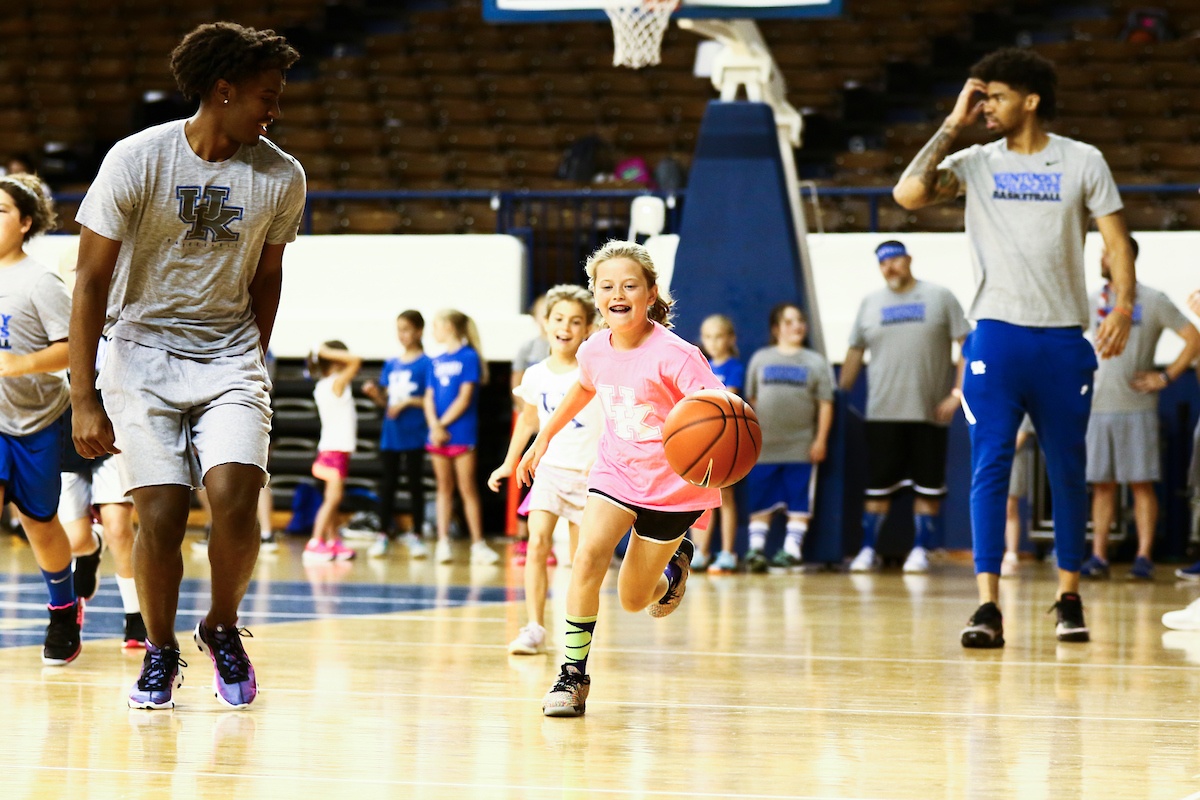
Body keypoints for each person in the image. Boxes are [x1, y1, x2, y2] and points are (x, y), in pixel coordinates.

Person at [70, 22, 305, 708]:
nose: (275, 110)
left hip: (229, 352)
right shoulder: (137, 159)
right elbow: (89, 280)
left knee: (236, 499)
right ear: (222, 91)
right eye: (266, 95)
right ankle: (161, 650)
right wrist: (84, 395)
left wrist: (253, 360)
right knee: (163, 514)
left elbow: (269, 276)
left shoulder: (281, 175)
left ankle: (221, 626)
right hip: (140, 352)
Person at [893, 47, 1135, 648]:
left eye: (995, 96)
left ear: (1029, 99)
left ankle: (1069, 597)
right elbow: (908, 194)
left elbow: (1118, 240)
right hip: (995, 336)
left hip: (1061, 339)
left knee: (1068, 470)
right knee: (989, 467)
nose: (986, 107)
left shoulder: (1082, 161)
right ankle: (987, 607)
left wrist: (1124, 305)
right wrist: (953, 123)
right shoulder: (975, 161)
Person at [518, 240, 723, 718]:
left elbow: (718, 414)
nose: (618, 292)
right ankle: (572, 676)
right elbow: (585, 386)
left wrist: (722, 456)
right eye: (607, 285)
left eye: (630, 285)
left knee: (634, 600)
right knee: (585, 559)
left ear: (650, 294)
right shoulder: (594, 349)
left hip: (671, 489)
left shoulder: (678, 355)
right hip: (614, 473)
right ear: (596, 295)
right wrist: (543, 437)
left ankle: (674, 566)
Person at [839, 240, 970, 574]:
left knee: (928, 486)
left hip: (930, 411)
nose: (890, 268)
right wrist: (840, 397)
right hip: (882, 412)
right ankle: (868, 550)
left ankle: (921, 550)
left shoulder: (940, 297)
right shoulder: (870, 303)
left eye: (895, 260)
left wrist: (958, 393)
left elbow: (967, 346)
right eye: (883, 263)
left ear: (909, 260)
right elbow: (854, 352)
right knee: (878, 486)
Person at [488, 284, 602, 654]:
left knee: (579, 561)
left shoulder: (595, 372)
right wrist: (508, 462)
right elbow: (527, 421)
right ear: (544, 323)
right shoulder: (536, 373)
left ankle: (575, 631)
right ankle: (534, 627)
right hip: (550, 472)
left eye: (575, 321)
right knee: (536, 543)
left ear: (587, 328)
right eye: (558, 319)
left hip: (588, 477)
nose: (565, 326)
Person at [0, 173, 84, 665]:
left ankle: (62, 609)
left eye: (2, 211)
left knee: (39, 523)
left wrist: (22, 364)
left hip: (37, 417)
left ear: (25, 223)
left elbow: (73, 347)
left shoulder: (39, 280)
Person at [1081, 238, 1200, 581]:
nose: (1103, 258)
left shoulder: (1152, 299)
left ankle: (1143, 556)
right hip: (1099, 406)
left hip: (1137, 406)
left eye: (1109, 252)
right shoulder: (1092, 300)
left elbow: (1194, 337)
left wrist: (1166, 376)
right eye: (1102, 253)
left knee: (1140, 483)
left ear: (1126, 258)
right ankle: (1099, 556)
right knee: (1101, 484)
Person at [743, 303, 834, 574]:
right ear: (776, 329)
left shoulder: (815, 362)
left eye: (800, 320)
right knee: (760, 500)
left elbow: (826, 404)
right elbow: (753, 399)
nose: (797, 326)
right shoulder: (761, 358)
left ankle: (792, 551)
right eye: (789, 321)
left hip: (801, 446)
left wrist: (820, 440)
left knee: (799, 501)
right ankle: (756, 551)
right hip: (765, 447)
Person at [425, 309, 499, 565]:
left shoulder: (469, 357)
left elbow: (465, 397)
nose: (432, 331)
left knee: (467, 488)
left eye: (436, 325)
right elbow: (428, 397)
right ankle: (443, 542)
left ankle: (478, 544)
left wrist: (442, 424)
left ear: (448, 326)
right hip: (437, 435)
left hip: (461, 433)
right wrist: (434, 426)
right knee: (443, 488)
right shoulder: (434, 361)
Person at [362, 310, 431, 559]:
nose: (402, 334)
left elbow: (431, 401)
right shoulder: (391, 363)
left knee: (415, 484)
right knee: (388, 484)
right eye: (399, 329)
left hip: (415, 433)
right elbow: (387, 402)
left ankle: (417, 535)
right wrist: (375, 395)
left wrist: (409, 402)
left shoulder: (427, 364)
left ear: (419, 331)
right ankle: (383, 535)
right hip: (391, 434)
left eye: (406, 329)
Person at [688, 314, 744, 573]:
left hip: (725, 441)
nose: (713, 341)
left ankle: (728, 552)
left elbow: (727, 399)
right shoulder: (701, 366)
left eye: (718, 335)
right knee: (700, 499)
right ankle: (700, 551)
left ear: (730, 338)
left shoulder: (734, 367)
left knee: (726, 498)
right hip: (702, 441)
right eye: (708, 336)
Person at [304, 342, 362, 562]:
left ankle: (332, 541)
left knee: (331, 499)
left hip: (330, 450)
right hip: (334, 451)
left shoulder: (324, 385)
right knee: (333, 500)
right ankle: (315, 542)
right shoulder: (335, 383)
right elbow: (357, 359)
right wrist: (324, 351)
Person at [509, 293, 549, 566]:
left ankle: (546, 540)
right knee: (528, 478)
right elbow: (518, 388)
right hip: (534, 424)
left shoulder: (574, 346)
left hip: (560, 429)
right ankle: (523, 536)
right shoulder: (528, 349)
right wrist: (530, 416)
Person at [1001, 416, 1035, 578]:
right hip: (991, 457)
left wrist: (1000, 449)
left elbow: (1020, 435)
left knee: (1009, 505)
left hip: (1012, 459)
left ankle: (1011, 553)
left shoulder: (1022, 407)